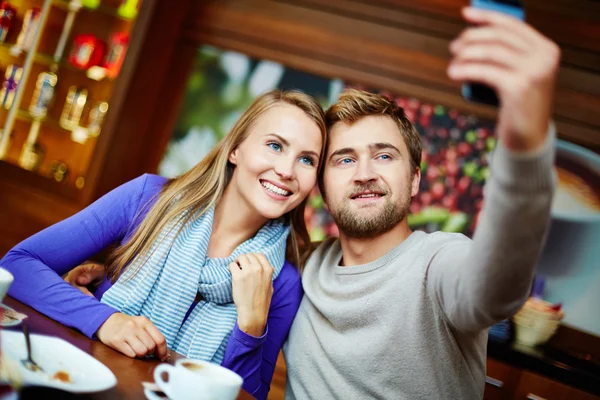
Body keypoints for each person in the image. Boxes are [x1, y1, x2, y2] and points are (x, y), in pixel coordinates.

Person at [282, 7, 560, 400]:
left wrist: (525, 142)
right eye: (344, 159)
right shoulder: (305, 267)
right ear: (323, 187)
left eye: (383, 156)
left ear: (414, 180)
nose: (364, 173)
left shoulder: (438, 263)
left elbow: (496, 288)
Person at [0, 89, 327, 400]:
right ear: (235, 149)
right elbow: (18, 262)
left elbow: (247, 397)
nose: (286, 170)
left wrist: (252, 327)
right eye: (274, 145)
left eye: (307, 160)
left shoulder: (282, 284)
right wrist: (104, 320)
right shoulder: (148, 199)